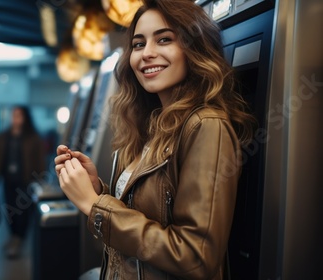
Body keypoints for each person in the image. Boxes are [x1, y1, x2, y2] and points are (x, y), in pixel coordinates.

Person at [54, 0, 256, 279]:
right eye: (138, 44)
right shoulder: (151, 124)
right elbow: (147, 214)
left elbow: (196, 257)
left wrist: (95, 205)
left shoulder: (206, 125)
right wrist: (97, 190)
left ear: (193, 48)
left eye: (164, 40)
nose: (147, 53)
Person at [0, 106, 46, 258]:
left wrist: (40, 179)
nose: (15, 118)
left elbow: (39, 159)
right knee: (9, 209)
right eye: (13, 115)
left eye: (18, 115)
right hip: (8, 179)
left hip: (25, 180)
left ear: (25, 117)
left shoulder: (32, 137)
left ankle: (19, 239)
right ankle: (13, 236)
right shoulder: (3, 136)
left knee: (22, 211)